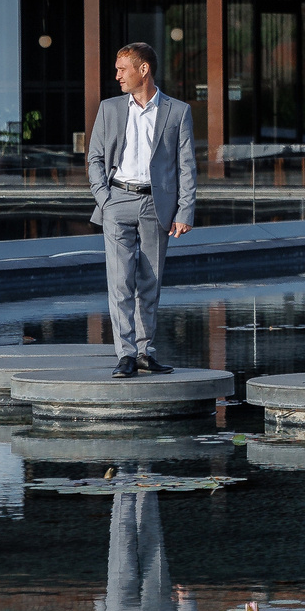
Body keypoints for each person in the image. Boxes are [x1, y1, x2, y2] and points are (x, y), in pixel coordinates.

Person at [86, 41, 195, 378]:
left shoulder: (178, 111)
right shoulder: (110, 108)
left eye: (122, 69)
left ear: (143, 69)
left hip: (156, 205)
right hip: (117, 201)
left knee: (150, 283)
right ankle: (125, 355)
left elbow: (186, 166)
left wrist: (185, 210)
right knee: (120, 283)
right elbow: (95, 159)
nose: (117, 75)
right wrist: (105, 200)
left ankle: (146, 353)